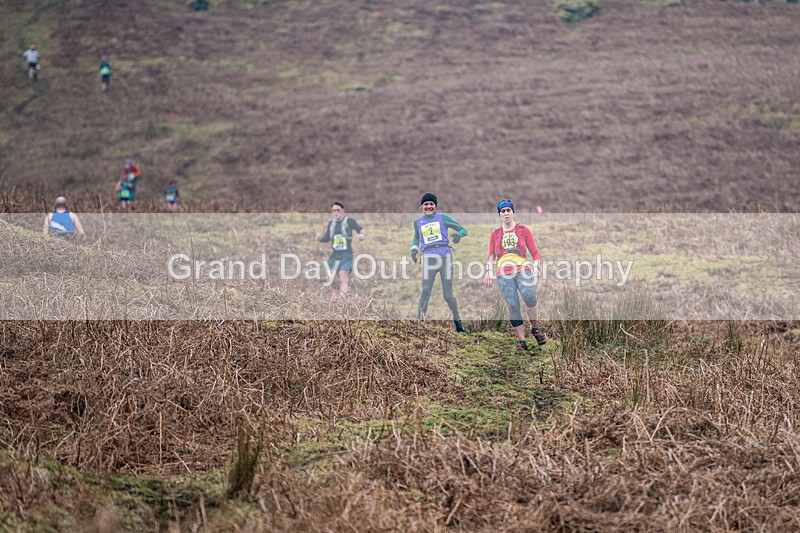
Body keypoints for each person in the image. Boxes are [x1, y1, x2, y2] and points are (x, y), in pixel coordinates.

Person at [483, 199, 546, 350]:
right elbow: (491, 255)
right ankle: (522, 341)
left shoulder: (523, 230)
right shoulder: (495, 233)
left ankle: (535, 328)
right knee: (512, 304)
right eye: (503, 211)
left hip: (522, 268)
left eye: (508, 210)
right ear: (499, 214)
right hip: (503, 273)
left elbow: (535, 253)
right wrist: (488, 271)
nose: (506, 213)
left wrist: (537, 267)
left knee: (529, 295)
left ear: (513, 212)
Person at [409, 193, 467, 332]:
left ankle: (458, 321)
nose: (428, 206)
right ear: (422, 207)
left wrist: (458, 235)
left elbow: (463, 229)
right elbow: (416, 239)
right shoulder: (417, 222)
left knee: (447, 295)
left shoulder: (443, 218)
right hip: (428, 257)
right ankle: (419, 322)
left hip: (444, 256)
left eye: (431, 204)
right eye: (426, 204)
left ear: (435, 206)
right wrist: (414, 249)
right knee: (425, 290)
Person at [316, 202, 365, 296]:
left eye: (338, 210)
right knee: (329, 278)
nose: (336, 212)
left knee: (343, 274)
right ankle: (334, 297)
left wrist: (362, 235)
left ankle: (342, 301)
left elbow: (360, 229)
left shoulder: (349, 221)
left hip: (346, 254)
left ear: (343, 211)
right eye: (334, 210)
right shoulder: (331, 224)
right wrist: (319, 239)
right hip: (334, 255)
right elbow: (326, 238)